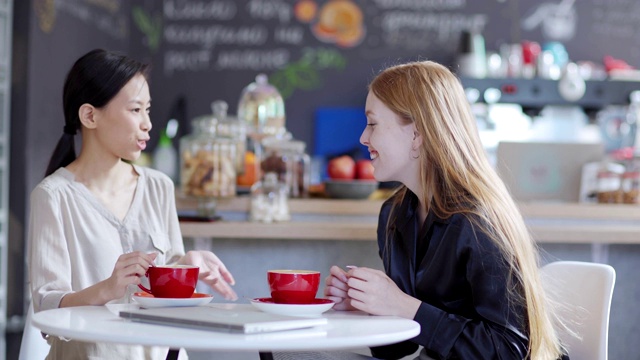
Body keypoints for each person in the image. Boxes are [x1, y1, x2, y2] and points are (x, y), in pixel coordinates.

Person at [323, 61, 568, 360]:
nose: (363, 138)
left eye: (372, 123)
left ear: (417, 133)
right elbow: (402, 347)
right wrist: (371, 307)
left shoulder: (478, 222)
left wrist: (402, 306)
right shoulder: (395, 214)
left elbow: (511, 350)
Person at [28, 49, 238, 360]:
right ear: (90, 116)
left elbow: (163, 289)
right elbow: (47, 308)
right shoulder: (53, 196)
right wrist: (107, 289)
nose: (147, 124)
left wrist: (185, 266)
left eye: (148, 110)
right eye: (135, 109)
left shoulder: (158, 187)